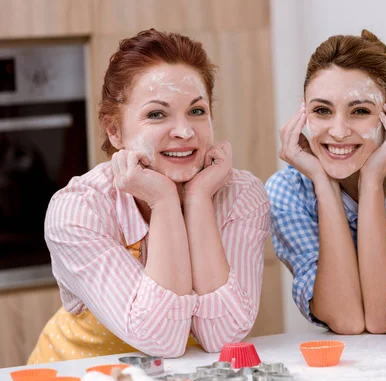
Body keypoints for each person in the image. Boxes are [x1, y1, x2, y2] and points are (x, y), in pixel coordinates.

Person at [28, 29, 270, 363]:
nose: (185, 132)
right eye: (157, 114)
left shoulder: (240, 196)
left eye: (197, 111)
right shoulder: (79, 210)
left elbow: (222, 336)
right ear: (114, 131)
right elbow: (163, 340)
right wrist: (164, 202)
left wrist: (198, 199)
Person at [266, 30, 386, 334]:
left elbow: (384, 319)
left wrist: (371, 181)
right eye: (322, 111)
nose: (338, 131)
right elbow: (345, 319)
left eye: (360, 111)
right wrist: (323, 183)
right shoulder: (288, 190)